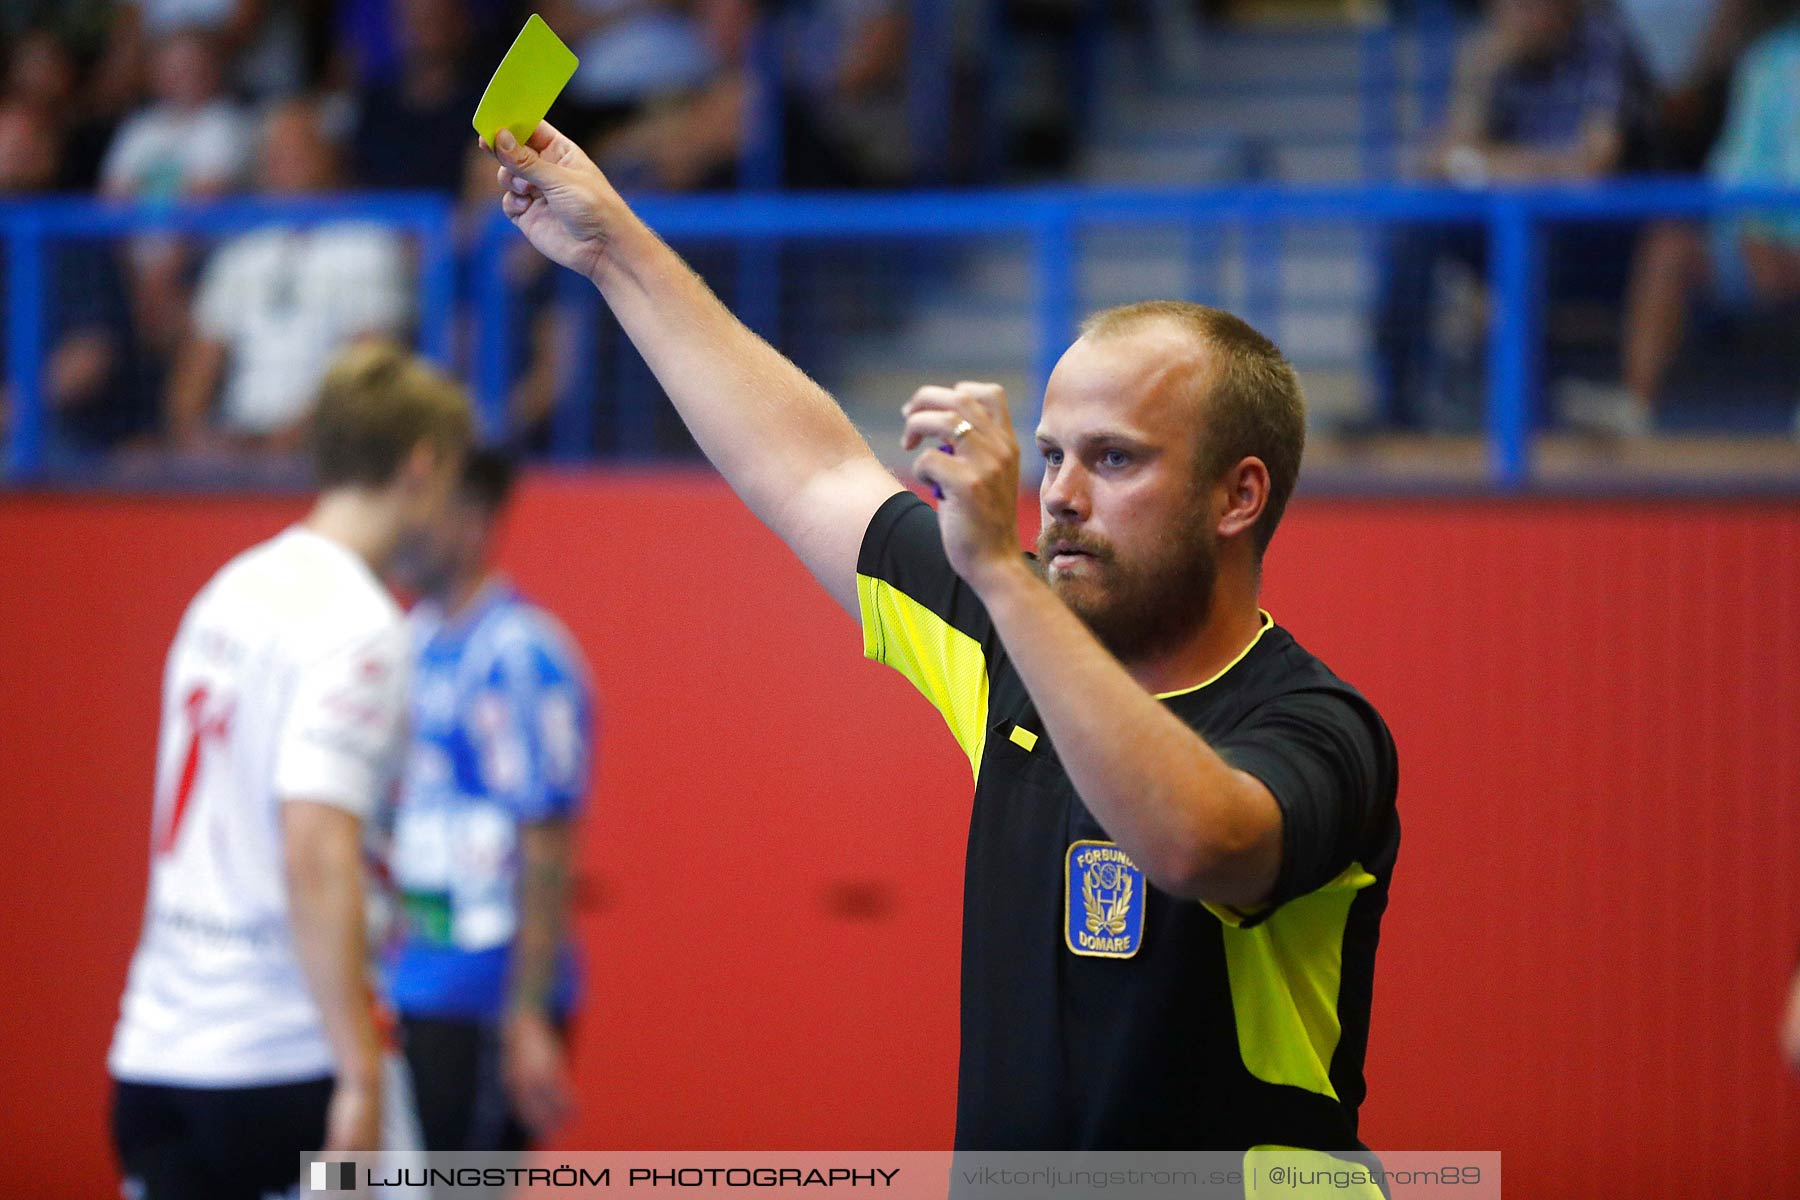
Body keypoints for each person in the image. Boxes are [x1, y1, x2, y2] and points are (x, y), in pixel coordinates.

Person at [485, 121, 1401, 1155]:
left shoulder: (1320, 727)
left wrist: (1002, 585)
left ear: (1238, 497)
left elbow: (1197, 842)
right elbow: (812, 469)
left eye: (1114, 459)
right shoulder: (1011, 629)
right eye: (1051, 455)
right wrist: (613, 248)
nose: (1058, 496)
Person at [108, 341, 473, 1199]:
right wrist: (357, 1070)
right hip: (287, 1063)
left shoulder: (231, 590)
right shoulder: (359, 623)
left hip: (156, 1058)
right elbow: (315, 846)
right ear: (423, 467)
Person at [385, 447, 594, 1165]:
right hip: (407, 986)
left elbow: (548, 842)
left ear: (474, 521)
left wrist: (528, 1015)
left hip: (484, 1002)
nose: (401, 527)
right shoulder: (406, 643)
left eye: (424, 508)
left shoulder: (522, 655)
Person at [1374, 0, 1656, 429]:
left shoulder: (1605, 44)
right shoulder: (1490, 55)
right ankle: (1395, 406)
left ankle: (1523, 413)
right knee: (1419, 226)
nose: (1513, 16)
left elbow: (1594, 163)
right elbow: (1441, 160)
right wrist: (1482, 83)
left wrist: (1491, 165)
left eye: (1526, 6)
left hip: (1594, 237)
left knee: (1532, 240)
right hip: (1506, 221)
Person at [1559, 4, 1800, 437]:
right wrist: (1754, 233)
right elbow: (1734, 171)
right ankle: (1634, 407)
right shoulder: (1769, 59)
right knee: (1671, 243)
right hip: (1761, 241)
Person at [166, 98, 411, 454]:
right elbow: (195, 374)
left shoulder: (368, 244)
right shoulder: (239, 254)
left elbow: (370, 369)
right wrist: (197, 438)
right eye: (274, 153)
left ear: (329, 156)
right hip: (239, 445)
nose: (283, 163)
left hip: (332, 448)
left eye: (298, 151)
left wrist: (290, 442)